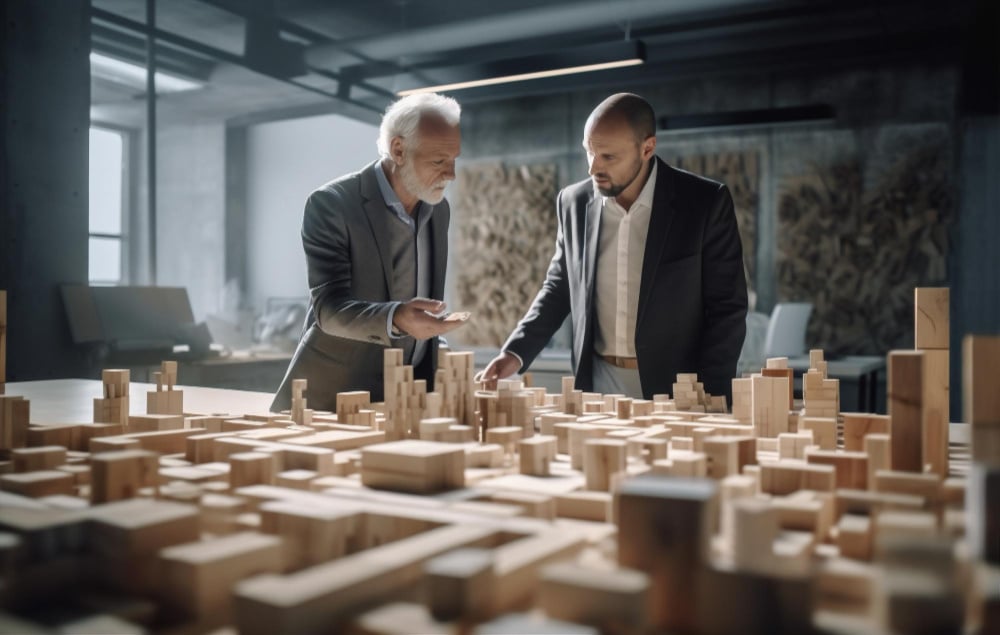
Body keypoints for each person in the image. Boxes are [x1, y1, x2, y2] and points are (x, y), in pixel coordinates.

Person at [479, 93, 747, 404]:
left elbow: (727, 309)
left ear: (647, 148)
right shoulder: (572, 202)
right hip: (596, 385)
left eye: (609, 157)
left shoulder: (704, 202)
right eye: (589, 152)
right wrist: (513, 353)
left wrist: (709, 396)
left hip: (678, 390)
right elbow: (558, 288)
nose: (593, 168)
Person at [271, 93, 467, 412]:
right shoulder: (331, 204)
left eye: (454, 158)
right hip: (335, 397)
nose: (451, 174)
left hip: (409, 395)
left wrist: (436, 346)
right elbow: (329, 311)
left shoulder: (438, 209)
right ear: (398, 150)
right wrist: (396, 318)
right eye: (438, 161)